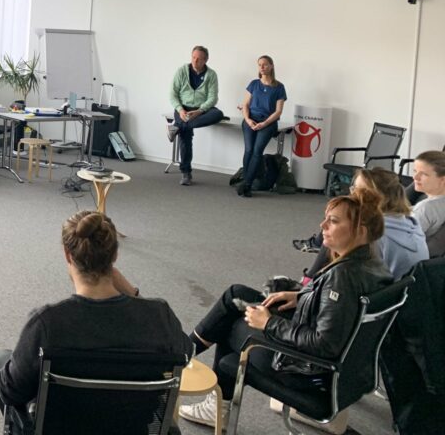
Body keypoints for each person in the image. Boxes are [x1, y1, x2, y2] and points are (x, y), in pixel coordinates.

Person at [180, 188, 393, 428]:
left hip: (305, 372)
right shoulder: (372, 263)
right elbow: (343, 313)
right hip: (344, 371)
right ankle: (183, 355)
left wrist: (269, 323)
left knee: (229, 326)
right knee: (236, 294)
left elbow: (324, 343)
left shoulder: (342, 278)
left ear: (360, 232)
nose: (322, 225)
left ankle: (207, 393)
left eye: (333, 221)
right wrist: (301, 297)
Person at [0, 211, 191, 434]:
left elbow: (10, 392)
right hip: (132, 428)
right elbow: (186, 352)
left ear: (68, 255)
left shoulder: (47, 323)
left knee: (0, 361)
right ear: (114, 256)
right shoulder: (159, 317)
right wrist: (133, 293)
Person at [167, 45, 223, 186]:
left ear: (206, 60)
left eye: (199, 59)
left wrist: (199, 111)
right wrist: (180, 110)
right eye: (193, 57)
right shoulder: (182, 71)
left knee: (218, 114)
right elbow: (173, 94)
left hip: (200, 111)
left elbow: (213, 98)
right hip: (183, 109)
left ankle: (178, 126)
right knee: (186, 136)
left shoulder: (211, 75)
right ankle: (186, 173)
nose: (195, 61)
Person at [237, 55, 287, 197]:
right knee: (249, 150)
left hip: (268, 123)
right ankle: (247, 182)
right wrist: (248, 119)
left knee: (257, 151)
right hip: (250, 120)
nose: (262, 67)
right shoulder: (254, 84)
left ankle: (246, 184)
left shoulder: (279, 87)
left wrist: (264, 123)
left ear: (271, 66)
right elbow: (245, 104)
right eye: (260, 65)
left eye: (265, 64)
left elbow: (278, 111)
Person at [410, 150, 445, 258]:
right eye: (415, 171)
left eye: (424, 174)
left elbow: (404, 241)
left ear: (443, 179)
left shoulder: (426, 208)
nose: (415, 178)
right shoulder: (437, 204)